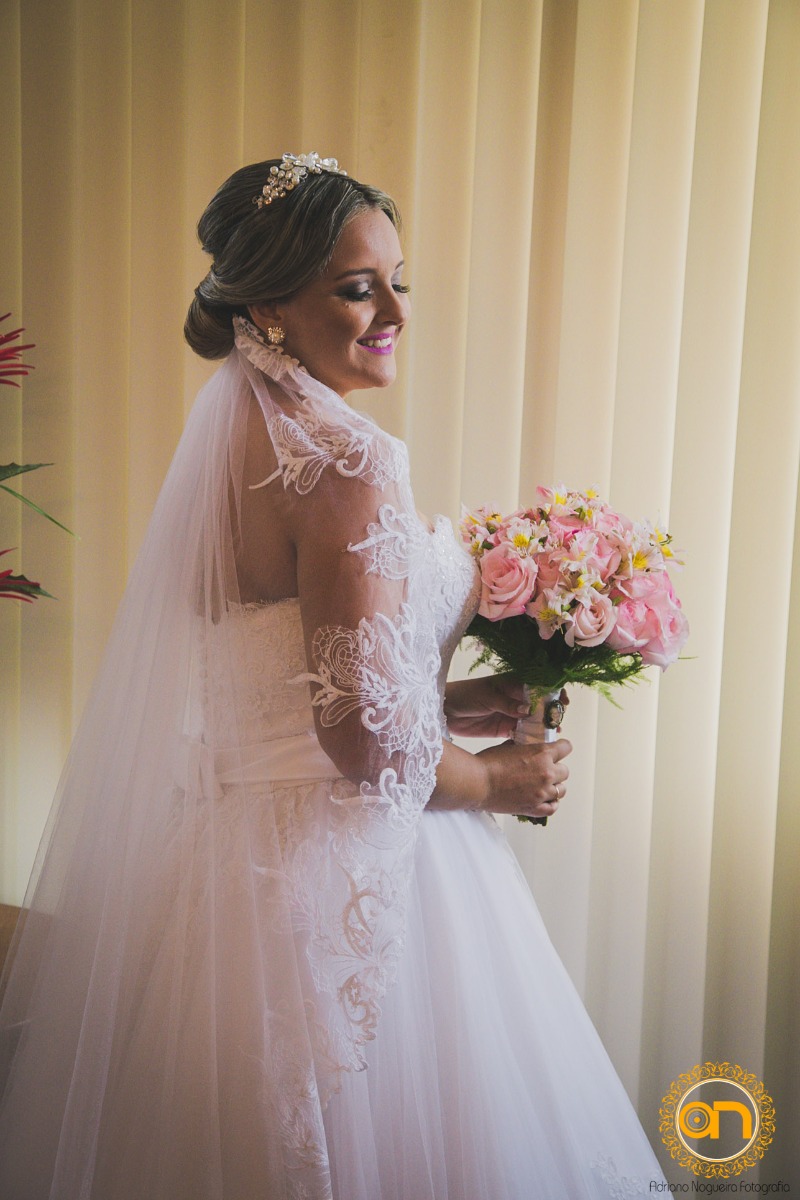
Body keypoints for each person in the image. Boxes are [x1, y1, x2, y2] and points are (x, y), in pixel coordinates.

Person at [0, 154, 666, 1198]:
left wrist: (444, 700)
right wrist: (496, 780)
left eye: (399, 281)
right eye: (358, 288)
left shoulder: (232, 435)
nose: (395, 311)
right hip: (349, 872)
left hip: (227, 869)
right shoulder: (345, 458)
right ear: (268, 306)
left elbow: (286, 676)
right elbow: (360, 739)